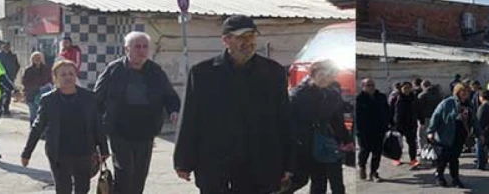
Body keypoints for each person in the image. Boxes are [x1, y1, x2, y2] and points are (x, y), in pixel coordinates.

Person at [174, 15, 294, 194]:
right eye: (241, 37)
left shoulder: (272, 72)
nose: (248, 42)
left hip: (259, 163)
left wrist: (289, 163)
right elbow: (190, 118)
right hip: (215, 163)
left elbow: (284, 119)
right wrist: (183, 161)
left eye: (251, 36)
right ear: (226, 40)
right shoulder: (202, 74)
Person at [95, 31, 181, 194]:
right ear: (126, 49)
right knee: (125, 174)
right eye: (137, 47)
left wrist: (173, 111)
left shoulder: (155, 71)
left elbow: (170, 96)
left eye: (145, 47)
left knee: (139, 177)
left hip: (146, 133)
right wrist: (95, 132)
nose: (141, 50)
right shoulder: (113, 70)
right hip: (119, 132)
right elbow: (97, 99)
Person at [21, 60, 110, 194]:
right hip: (59, 153)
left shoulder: (89, 98)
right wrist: (27, 153)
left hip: (84, 152)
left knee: (83, 189)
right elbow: (37, 127)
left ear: (76, 76)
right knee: (63, 189)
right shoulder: (48, 100)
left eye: (71, 74)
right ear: (55, 78)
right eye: (63, 74)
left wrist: (104, 149)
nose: (68, 77)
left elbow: (97, 124)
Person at [289, 60, 353, 194]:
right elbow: (286, 124)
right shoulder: (297, 94)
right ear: (313, 73)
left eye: (331, 75)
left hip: (322, 144)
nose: (327, 78)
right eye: (323, 73)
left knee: (320, 180)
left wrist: (346, 140)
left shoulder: (331, 93)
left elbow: (336, 120)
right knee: (299, 180)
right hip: (301, 146)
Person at [427, 83, 473, 188]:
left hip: (460, 135)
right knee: (442, 158)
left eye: (467, 91)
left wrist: (479, 134)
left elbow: (474, 120)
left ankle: (455, 179)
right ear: (457, 92)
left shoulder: (468, 104)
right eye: (463, 91)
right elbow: (436, 116)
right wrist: (431, 131)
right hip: (445, 134)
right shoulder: (447, 103)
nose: (465, 93)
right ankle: (439, 176)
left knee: (454, 158)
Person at [356, 78, 390, 182]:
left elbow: (387, 111)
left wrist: (389, 124)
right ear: (363, 87)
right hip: (363, 131)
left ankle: (374, 172)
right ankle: (362, 166)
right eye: (368, 85)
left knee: (377, 152)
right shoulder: (359, 99)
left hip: (379, 130)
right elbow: (356, 116)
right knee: (364, 151)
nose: (371, 87)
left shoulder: (381, 97)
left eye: (372, 85)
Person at [21, 51, 53, 127]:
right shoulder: (28, 70)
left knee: (43, 114)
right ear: (32, 59)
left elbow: (51, 81)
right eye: (35, 58)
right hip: (31, 95)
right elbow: (24, 82)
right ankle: (33, 130)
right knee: (33, 114)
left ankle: (42, 132)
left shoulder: (46, 69)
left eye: (39, 58)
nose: (37, 60)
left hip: (43, 95)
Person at [392, 81, 420, 168]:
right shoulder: (396, 98)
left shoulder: (414, 98)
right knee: (398, 144)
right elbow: (390, 110)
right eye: (405, 88)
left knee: (412, 143)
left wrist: (421, 119)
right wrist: (390, 123)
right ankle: (396, 159)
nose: (407, 90)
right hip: (398, 124)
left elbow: (419, 109)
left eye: (409, 87)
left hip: (411, 124)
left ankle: (413, 160)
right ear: (401, 89)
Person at [0, 41, 20, 115]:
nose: (6, 48)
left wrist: (14, 74)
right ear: (2, 47)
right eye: (5, 46)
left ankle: (6, 108)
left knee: (8, 93)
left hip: (10, 78)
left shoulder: (13, 56)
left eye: (8, 46)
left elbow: (18, 66)